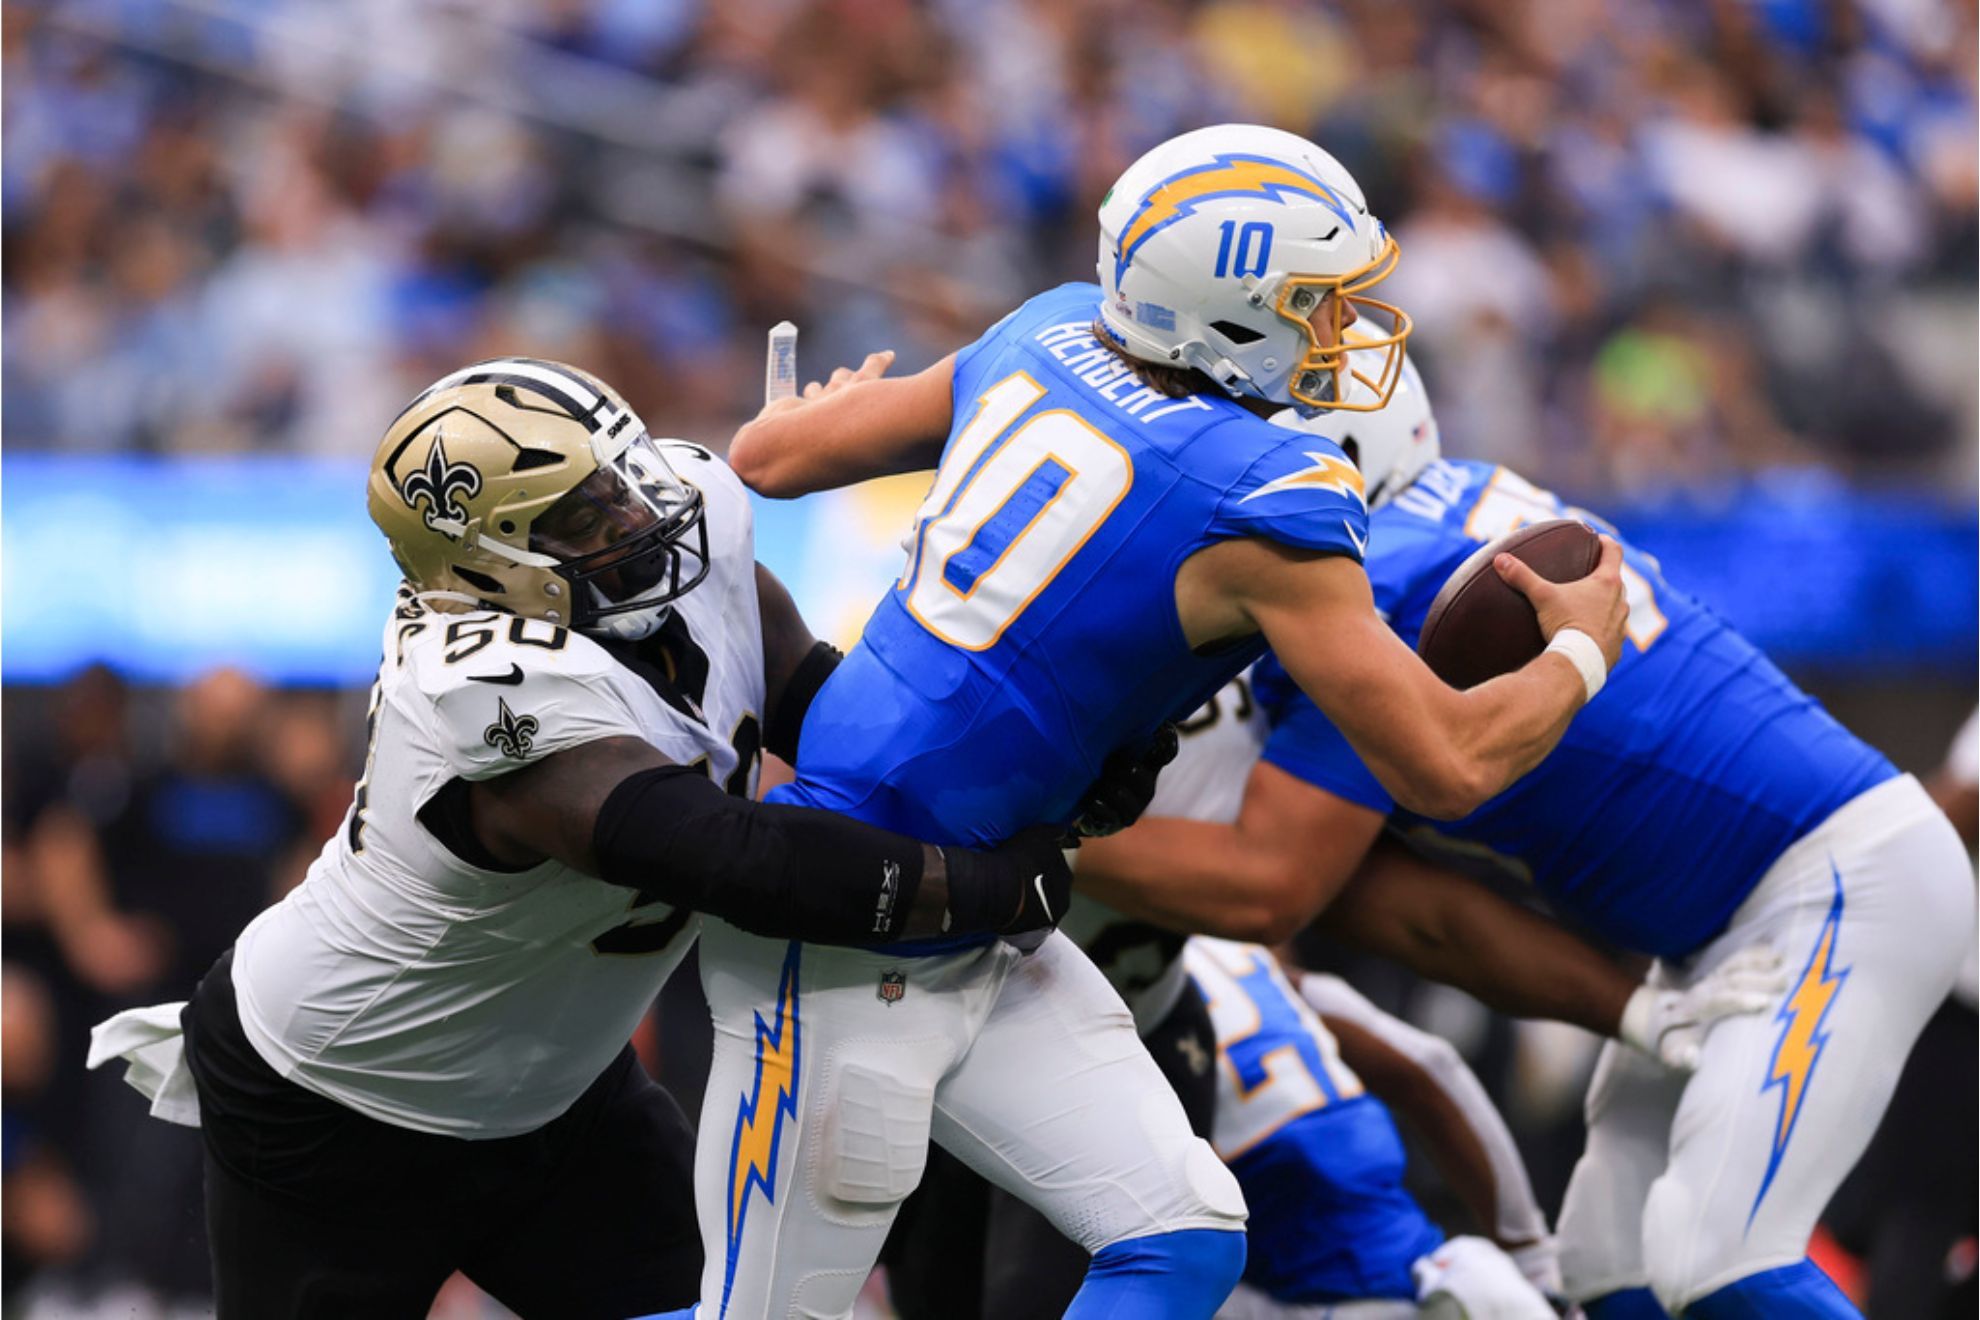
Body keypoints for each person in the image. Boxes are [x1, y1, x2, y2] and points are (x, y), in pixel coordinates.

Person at [691, 124, 1629, 1319]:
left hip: (979, 910)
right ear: (1226, 306)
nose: (1342, 328)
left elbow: (768, 457)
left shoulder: (1045, 328)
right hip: (849, 920)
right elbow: (1447, 763)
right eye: (1315, 300)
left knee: (1181, 1234)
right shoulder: (1269, 499)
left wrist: (824, 404)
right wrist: (1582, 649)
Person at [88, 357, 1099, 1320]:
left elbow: (835, 725)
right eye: (582, 516)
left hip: (559, 1089)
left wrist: (1042, 778)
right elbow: (734, 859)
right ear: (486, 566)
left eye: (621, 479)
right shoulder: (479, 689)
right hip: (343, 1098)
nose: (634, 516)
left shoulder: (687, 528)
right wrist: (991, 888)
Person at [1071, 356, 1973, 1319]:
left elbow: (1270, 886)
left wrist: (1043, 841)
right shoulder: (1434, 523)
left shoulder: (1373, 584)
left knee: (1716, 1256)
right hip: (1734, 921)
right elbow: (1415, 917)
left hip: (1837, 882)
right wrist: (1635, 1009)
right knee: (1609, 1263)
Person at [1186, 936, 1556, 1320]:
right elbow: (1433, 1064)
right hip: (1442, 1272)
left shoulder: (1161, 1000)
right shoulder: (1261, 966)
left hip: (1318, 1290)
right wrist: (1532, 1256)